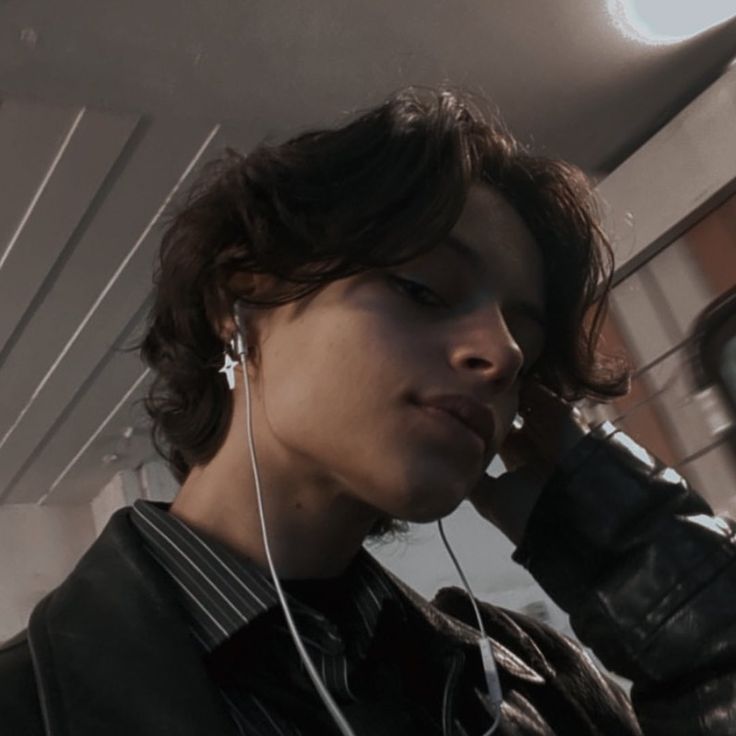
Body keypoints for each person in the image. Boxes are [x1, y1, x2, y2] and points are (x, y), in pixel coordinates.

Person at [1, 87, 734, 736]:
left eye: (525, 337)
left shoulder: (536, 679)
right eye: (423, 289)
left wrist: (623, 544)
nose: (503, 353)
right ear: (239, 300)